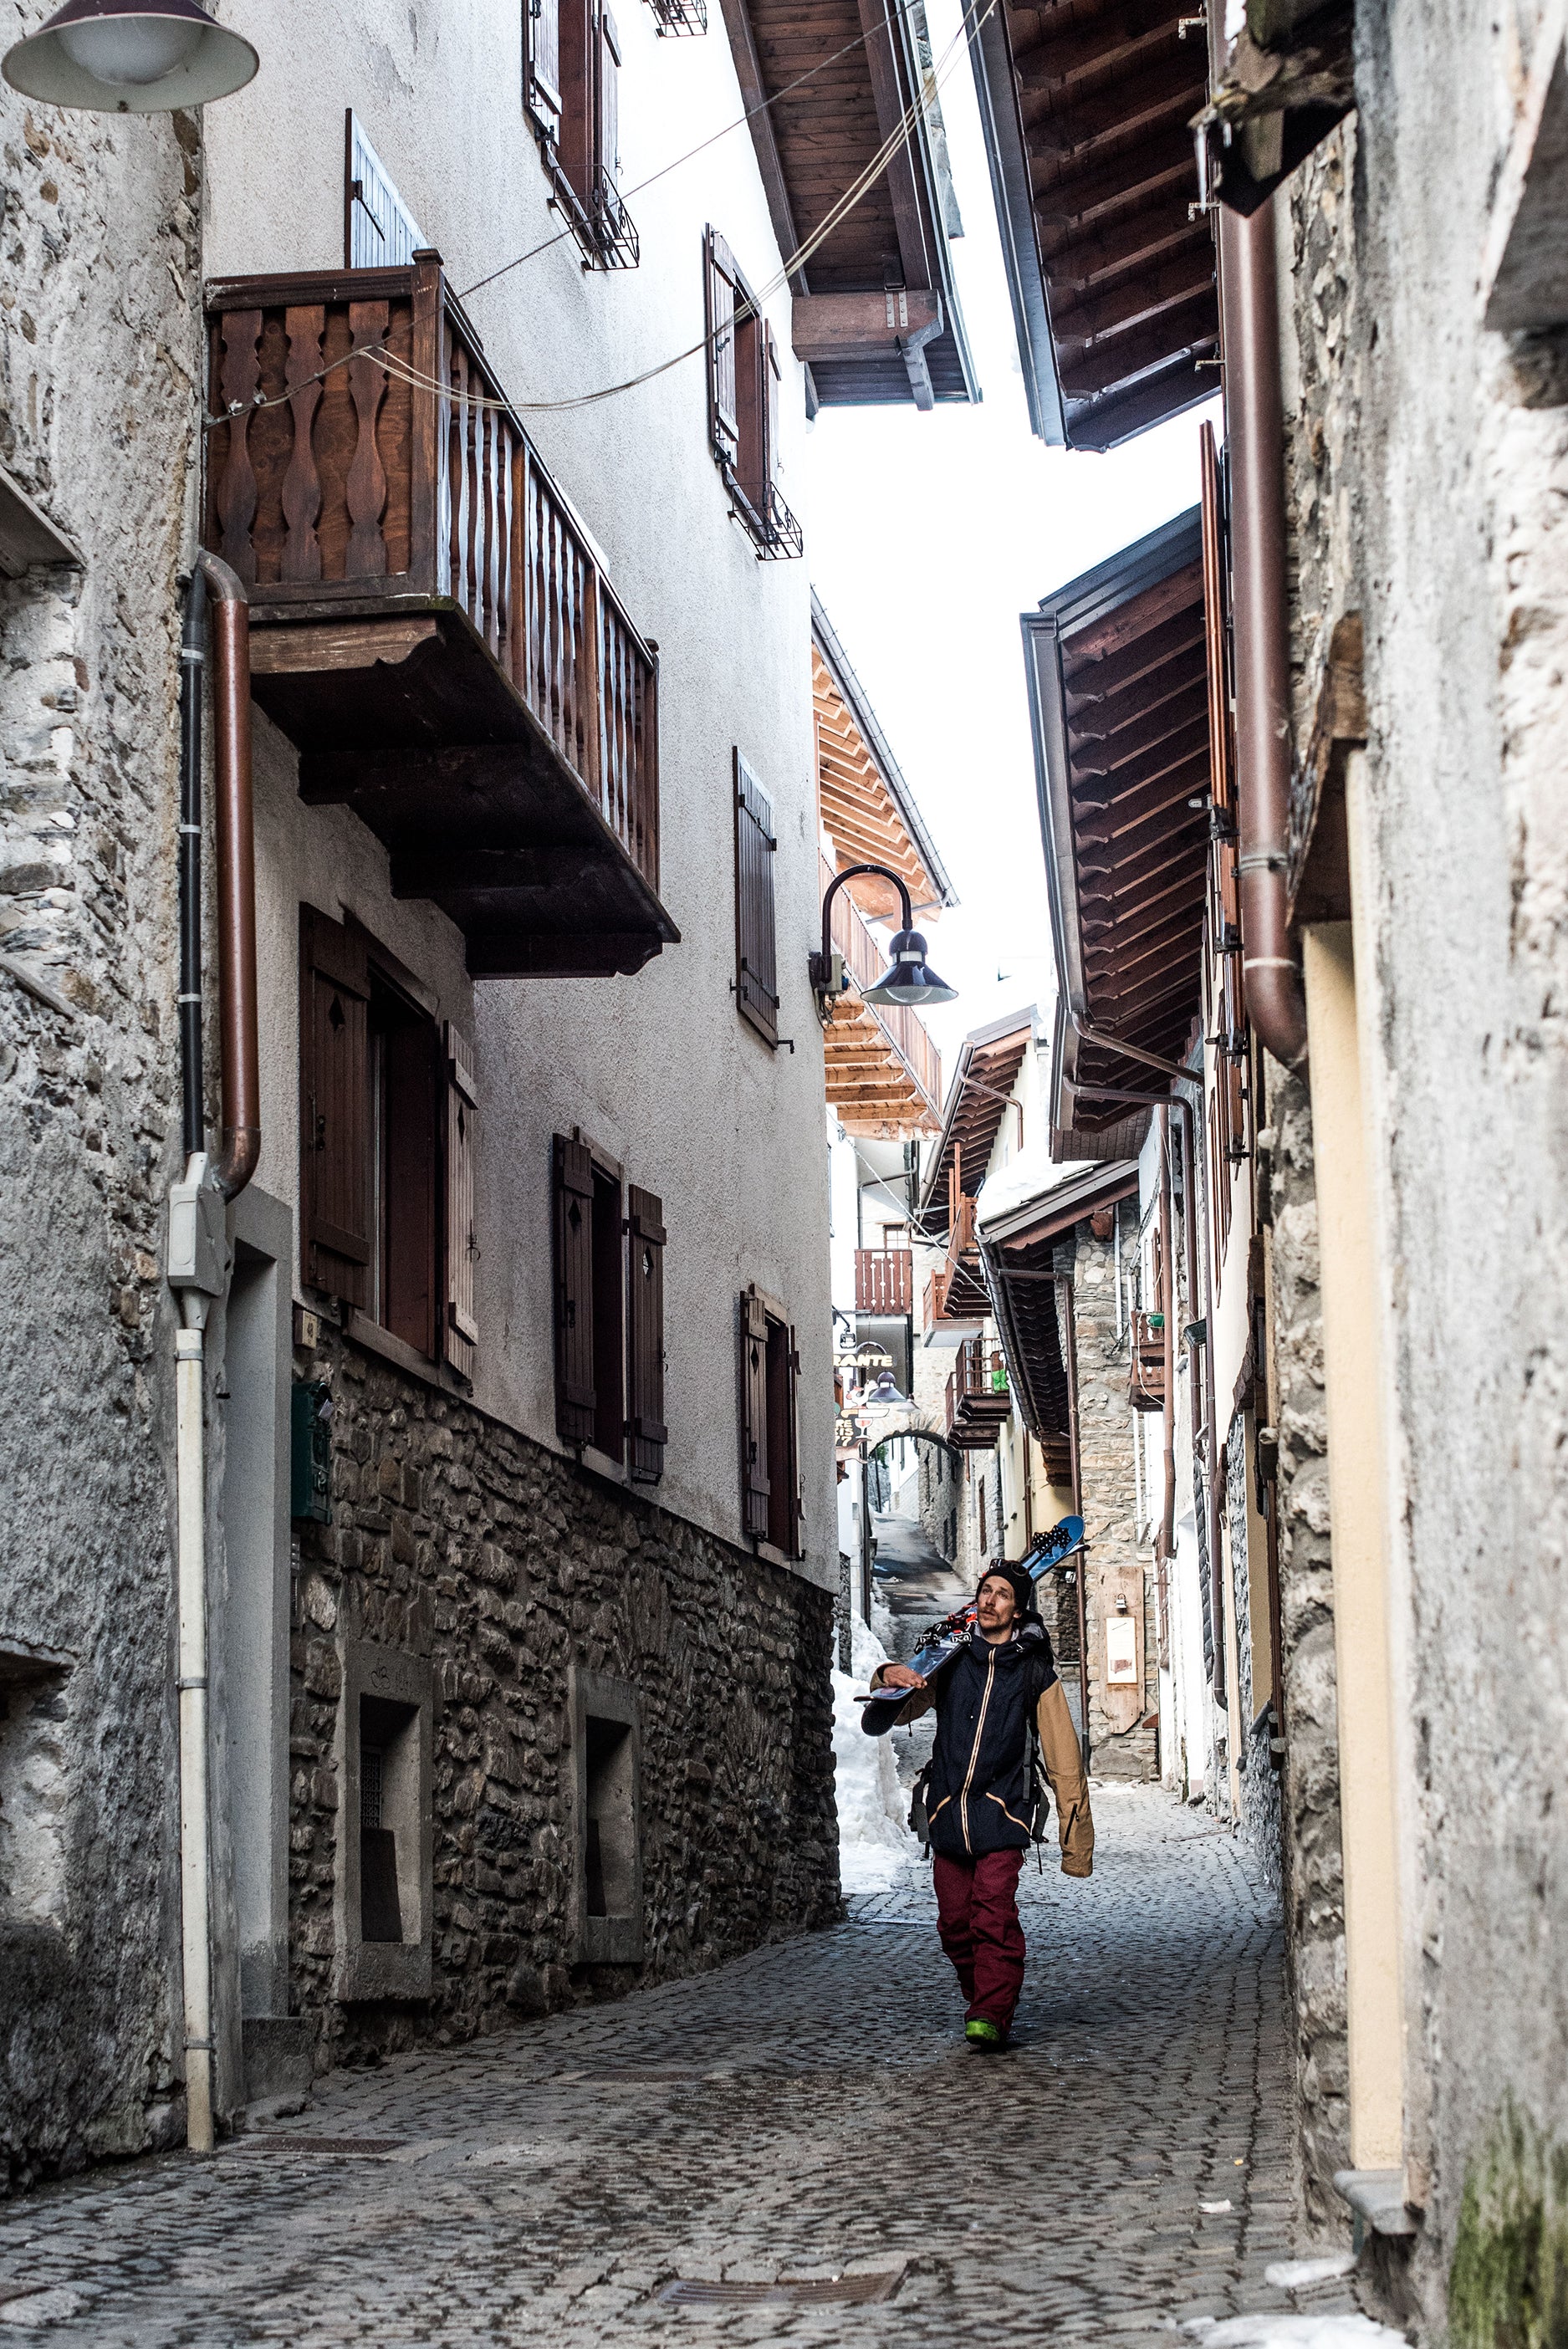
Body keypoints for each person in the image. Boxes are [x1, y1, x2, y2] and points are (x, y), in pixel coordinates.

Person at [871, 1563, 1093, 2049]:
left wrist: (1075, 1844)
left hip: (1004, 1810)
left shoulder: (1035, 1671)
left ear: (1018, 1609)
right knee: (954, 1924)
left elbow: (1063, 1755)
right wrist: (887, 1675)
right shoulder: (950, 1658)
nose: (991, 1600)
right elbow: (899, 1707)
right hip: (948, 1810)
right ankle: (986, 2000)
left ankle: (992, 2010)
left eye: (1003, 1595)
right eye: (985, 1592)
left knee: (992, 1916)